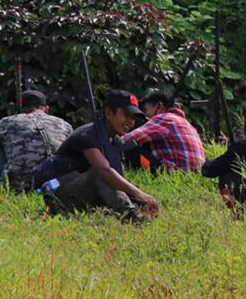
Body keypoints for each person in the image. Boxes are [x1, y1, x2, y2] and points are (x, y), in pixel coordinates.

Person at [32, 90, 158, 222]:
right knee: (102, 173)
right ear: (109, 113)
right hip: (57, 193)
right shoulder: (87, 135)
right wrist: (138, 194)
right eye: (127, 115)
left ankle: (131, 210)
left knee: (118, 179)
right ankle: (131, 216)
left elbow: (117, 180)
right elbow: (104, 172)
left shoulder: (115, 140)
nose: (131, 123)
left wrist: (141, 200)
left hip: (83, 193)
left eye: (133, 118)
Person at [0, 90, 73, 192]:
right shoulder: (63, 124)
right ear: (46, 109)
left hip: (17, 186)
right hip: (57, 182)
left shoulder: (8, 121)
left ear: (21, 108)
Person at [120, 88, 205, 173]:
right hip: (191, 175)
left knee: (131, 148)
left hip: (173, 173)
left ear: (160, 106)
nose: (144, 116)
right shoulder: (187, 124)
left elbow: (127, 140)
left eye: (145, 110)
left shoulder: (164, 118)